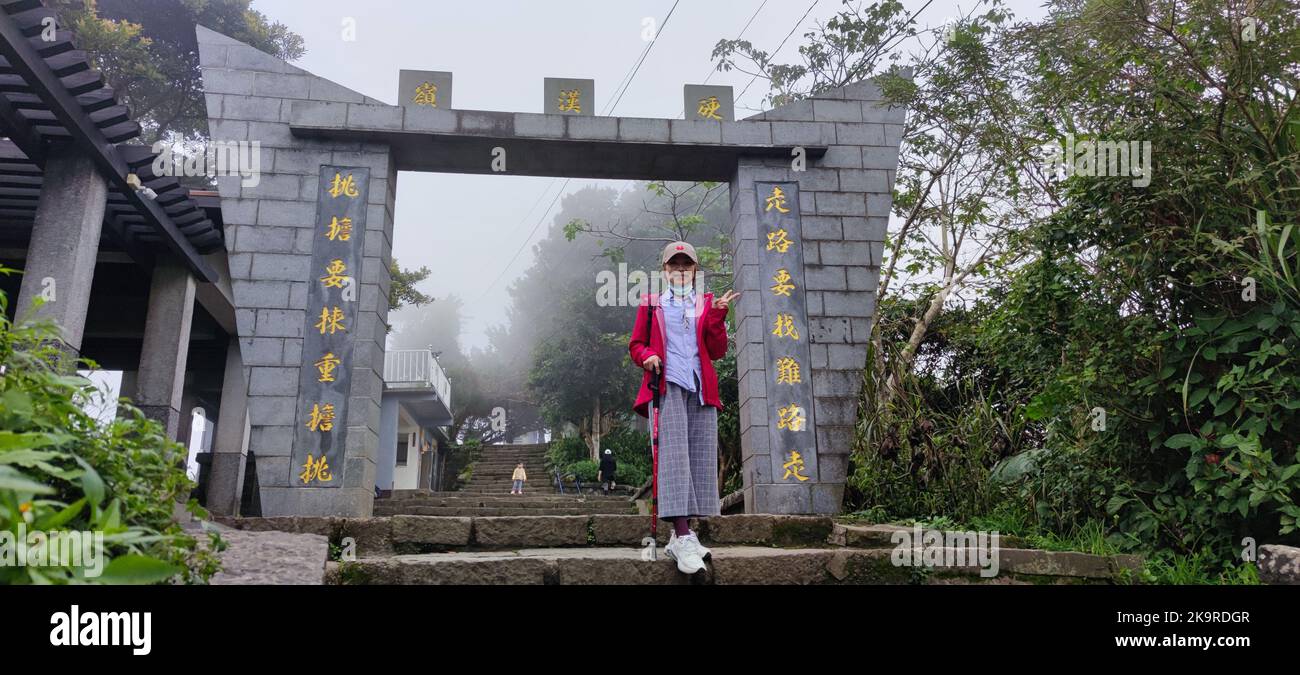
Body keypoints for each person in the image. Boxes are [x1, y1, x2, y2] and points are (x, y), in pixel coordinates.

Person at [628, 241, 739, 575]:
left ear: (695, 270)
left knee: (699, 458)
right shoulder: (651, 305)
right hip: (666, 386)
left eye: (686, 264)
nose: (680, 269)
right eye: (673, 264)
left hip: (701, 387)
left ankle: (684, 536)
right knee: (673, 457)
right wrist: (647, 356)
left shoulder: (706, 303)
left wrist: (719, 315)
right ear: (664, 271)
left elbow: (717, 350)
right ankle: (681, 532)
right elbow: (635, 344)